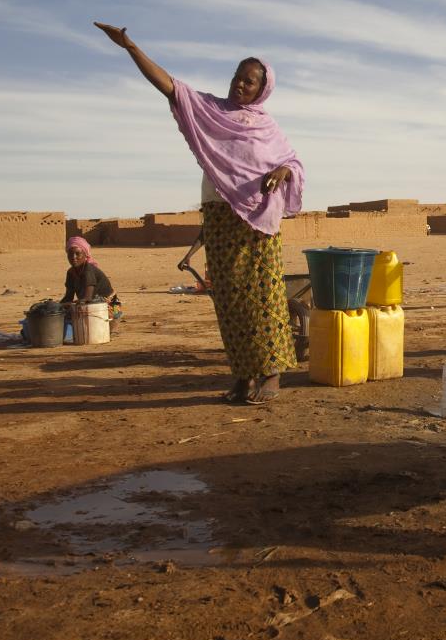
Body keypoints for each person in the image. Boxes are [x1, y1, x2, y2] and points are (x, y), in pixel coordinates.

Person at [94, 22, 305, 405]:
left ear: (263, 89)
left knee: (265, 298)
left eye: (250, 81)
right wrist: (130, 47)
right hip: (220, 218)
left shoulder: (267, 127)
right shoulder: (209, 109)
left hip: (257, 225)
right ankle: (242, 375)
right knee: (227, 299)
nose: (240, 85)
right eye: (238, 77)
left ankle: (271, 374)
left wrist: (281, 171)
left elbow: (292, 162)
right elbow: (170, 86)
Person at [61, 236, 117, 306]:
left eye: (78, 254)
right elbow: (68, 297)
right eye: (70, 254)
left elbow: (87, 299)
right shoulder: (70, 272)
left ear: (85, 255)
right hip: (90, 303)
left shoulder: (88, 270)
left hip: (110, 306)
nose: (73, 257)